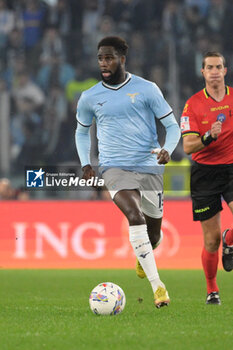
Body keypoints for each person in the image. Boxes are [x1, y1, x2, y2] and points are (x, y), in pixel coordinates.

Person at [75, 36, 180, 308]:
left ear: (122, 58)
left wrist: (168, 149)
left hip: (149, 166)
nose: (104, 63)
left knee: (153, 235)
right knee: (134, 216)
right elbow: (81, 132)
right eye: (100, 58)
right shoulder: (89, 97)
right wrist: (86, 163)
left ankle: (142, 255)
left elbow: (172, 127)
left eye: (109, 57)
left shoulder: (147, 89)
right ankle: (159, 289)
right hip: (114, 167)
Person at [181, 51, 233, 305]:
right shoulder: (192, 105)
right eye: (209, 67)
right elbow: (188, 146)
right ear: (203, 72)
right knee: (211, 241)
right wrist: (208, 138)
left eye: (218, 66)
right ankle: (212, 288)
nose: (214, 71)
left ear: (225, 70)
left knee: (221, 239)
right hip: (205, 174)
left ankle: (230, 239)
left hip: (232, 169)